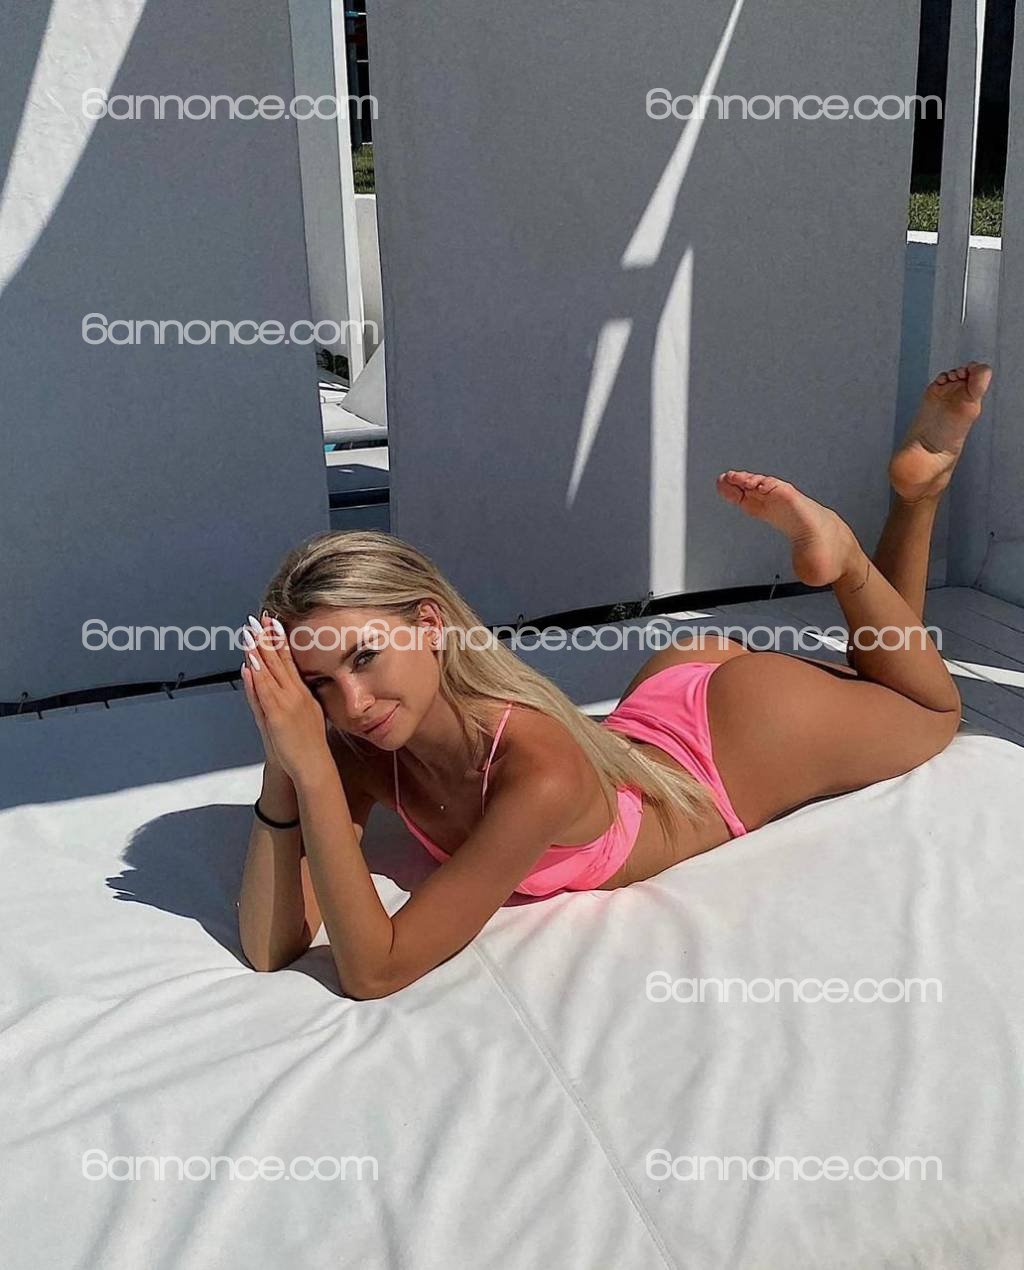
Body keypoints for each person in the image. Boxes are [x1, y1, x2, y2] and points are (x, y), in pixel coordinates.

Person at [238, 361, 993, 999]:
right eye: (317, 684)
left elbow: (377, 969)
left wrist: (314, 774)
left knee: (927, 710)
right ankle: (918, 494)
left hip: (738, 742)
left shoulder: (537, 770)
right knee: (880, 681)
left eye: (364, 657)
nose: (351, 703)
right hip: (656, 709)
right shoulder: (364, 745)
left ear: (430, 625)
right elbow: (274, 947)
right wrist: (285, 765)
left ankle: (849, 560)